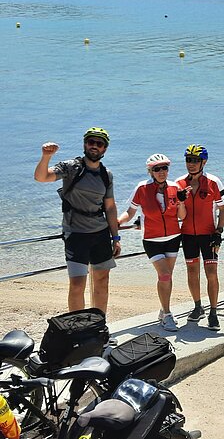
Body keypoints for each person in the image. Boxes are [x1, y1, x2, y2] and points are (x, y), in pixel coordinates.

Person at [34, 127, 121, 313]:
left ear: (105, 149)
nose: (94, 146)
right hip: (76, 234)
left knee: (102, 281)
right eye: (91, 142)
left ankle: (99, 324)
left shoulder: (106, 174)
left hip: (100, 234)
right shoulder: (71, 167)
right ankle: (77, 326)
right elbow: (41, 177)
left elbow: (110, 207)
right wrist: (46, 156)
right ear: (84, 144)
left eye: (99, 143)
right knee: (77, 285)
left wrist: (116, 238)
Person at [118, 154, 187, 331]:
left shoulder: (175, 187)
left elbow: (182, 216)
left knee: (167, 277)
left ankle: (163, 310)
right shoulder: (142, 188)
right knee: (164, 275)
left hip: (173, 237)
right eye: (157, 169)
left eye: (165, 168)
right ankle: (168, 314)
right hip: (152, 239)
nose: (162, 172)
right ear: (150, 171)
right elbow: (130, 212)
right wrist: (117, 223)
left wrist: (181, 202)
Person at [175, 145, 224, 331]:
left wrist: (219, 231)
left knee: (211, 273)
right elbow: (177, 213)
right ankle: (198, 306)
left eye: (195, 160)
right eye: (188, 160)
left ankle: (213, 312)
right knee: (192, 272)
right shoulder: (179, 183)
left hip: (209, 235)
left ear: (203, 162)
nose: (191, 164)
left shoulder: (213, 182)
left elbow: (223, 209)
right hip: (188, 234)